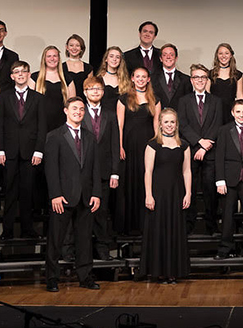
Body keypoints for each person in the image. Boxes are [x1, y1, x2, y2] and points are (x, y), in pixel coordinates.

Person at [43, 97, 103, 292]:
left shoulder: (89, 136)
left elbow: (95, 167)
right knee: (56, 239)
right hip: (63, 197)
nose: (78, 111)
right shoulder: (54, 136)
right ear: (66, 111)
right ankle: (52, 278)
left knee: (84, 239)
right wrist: (55, 195)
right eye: (74, 108)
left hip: (86, 196)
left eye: (81, 109)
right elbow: (51, 169)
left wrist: (96, 193)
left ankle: (85, 277)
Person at [0, 61, 47, 239]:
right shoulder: (4, 96)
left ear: (29, 74)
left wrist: (39, 151)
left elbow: (42, 127)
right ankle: (7, 230)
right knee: (10, 191)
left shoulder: (38, 98)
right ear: (12, 76)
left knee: (28, 191)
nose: (20, 74)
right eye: (17, 72)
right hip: (8, 151)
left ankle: (27, 229)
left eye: (23, 71)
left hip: (30, 152)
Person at [143, 108, 192, 284]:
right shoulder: (153, 144)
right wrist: (148, 195)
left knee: (175, 230)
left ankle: (173, 271)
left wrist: (188, 193)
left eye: (172, 122)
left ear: (176, 124)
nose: (169, 125)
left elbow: (187, 171)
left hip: (176, 192)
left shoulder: (184, 145)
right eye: (166, 122)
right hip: (158, 193)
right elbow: (148, 172)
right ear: (160, 124)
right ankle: (159, 271)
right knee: (160, 230)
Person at [178, 64, 224, 235]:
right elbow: (182, 124)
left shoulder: (216, 101)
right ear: (191, 80)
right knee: (189, 189)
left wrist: (205, 147)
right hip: (191, 151)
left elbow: (218, 124)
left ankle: (211, 225)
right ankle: (189, 225)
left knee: (210, 191)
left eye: (203, 77)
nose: (200, 80)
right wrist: (198, 142)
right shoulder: (183, 101)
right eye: (196, 77)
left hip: (210, 153)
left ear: (207, 80)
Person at [114, 67, 160, 236]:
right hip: (128, 146)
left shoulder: (155, 99)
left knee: (145, 181)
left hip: (148, 146)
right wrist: (119, 146)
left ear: (148, 79)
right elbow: (119, 125)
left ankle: (145, 225)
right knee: (129, 183)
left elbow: (157, 127)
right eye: (137, 76)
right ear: (132, 78)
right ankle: (129, 226)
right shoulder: (123, 99)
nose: (140, 79)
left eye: (144, 77)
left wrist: (157, 147)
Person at [214, 100, 243, 259]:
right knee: (227, 216)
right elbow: (219, 156)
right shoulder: (224, 130)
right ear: (233, 113)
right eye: (238, 112)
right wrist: (220, 180)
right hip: (228, 179)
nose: (241, 115)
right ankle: (225, 248)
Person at [82, 75, 120, 260]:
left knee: (102, 212)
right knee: (82, 212)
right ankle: (78, 250)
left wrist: (115, 172)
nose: (95, 92)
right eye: (91, 89)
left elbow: (115, 145)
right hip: (83, 172)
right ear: (85, 92)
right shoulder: (78, 113)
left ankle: (103, 249)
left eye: (98, 89)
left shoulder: (110, 115)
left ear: (103, 92)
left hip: (105, 172)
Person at [33, 45, 76, 132]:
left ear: (59, 58)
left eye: (55, 56)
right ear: (44, 59)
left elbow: (72, 105)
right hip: (39, 125)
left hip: (61, 125)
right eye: (49, 56)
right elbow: (29, 105)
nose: (52, 59)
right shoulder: (34, 78)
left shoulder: (67, 79)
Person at [209, 43, 243, 124]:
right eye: (220, 53)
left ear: (231, 55)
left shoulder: (238, 75)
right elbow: (207, 95)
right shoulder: (210, 74)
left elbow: (239, 96)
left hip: (231, 112)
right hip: (214, 113)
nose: (223, 56)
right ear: (217, 55)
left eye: (226, 53)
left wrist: (240, 112)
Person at [63, 34, 94, 100]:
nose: (74, 48)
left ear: (81, 48)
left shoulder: (88, 68)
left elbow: (90, 89)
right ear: (67, 47)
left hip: (84, 104)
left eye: (77, 45)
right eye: (71, 45)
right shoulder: (60, 67)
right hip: (65, 103)